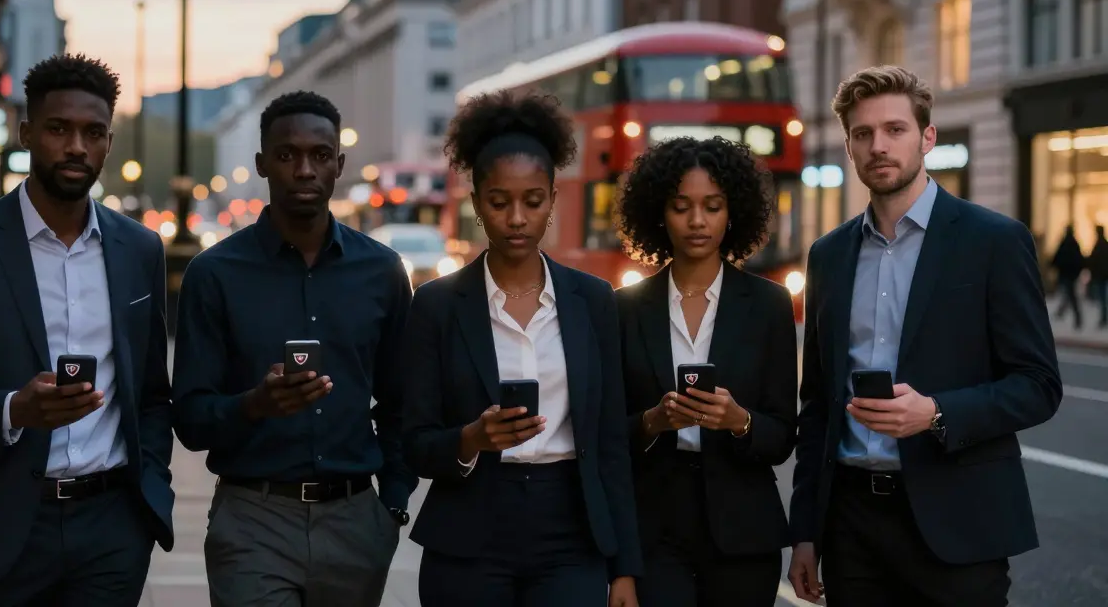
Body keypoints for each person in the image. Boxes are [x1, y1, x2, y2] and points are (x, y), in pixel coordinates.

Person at [0, 54, 175, 606]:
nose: (76, 147)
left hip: (111, 531)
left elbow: (151, 393)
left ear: (109, 143)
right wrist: (11, 411)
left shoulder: (140, 249)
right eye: (58, 129)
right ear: (26, 133)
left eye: (93, 133)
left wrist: (149, 497)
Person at [787, 65, 1062, 606]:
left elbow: (1038, 385)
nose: (878, 146)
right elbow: (817, 403)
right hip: (853, 527)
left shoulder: (995, 242)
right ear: (848, 146)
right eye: (863, 134)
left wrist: (935, 413)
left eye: (895, 130)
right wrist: (805, 531)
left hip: (959, 523)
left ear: (927, 137)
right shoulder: (828, 256)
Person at [172, 90, 416, 607]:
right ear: (262, 164)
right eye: (287, 156)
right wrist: (254, 405)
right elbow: (190, 420)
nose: (305, 170)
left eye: (320, 156)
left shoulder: (382, 272)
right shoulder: (215, 275)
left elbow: (403, 402)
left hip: (355, 522)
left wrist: (391, 504)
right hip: (253, 519)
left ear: (339, 164)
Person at [401, 90, 642, 607]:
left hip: (571, 531)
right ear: (476, 203)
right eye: (499, 201)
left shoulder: (594, 301)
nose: (515, 217)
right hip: (468, 533)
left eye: (532, 201)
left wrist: (624, 567)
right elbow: (414, 441)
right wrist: (470, 439)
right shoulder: (436, 305)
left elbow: (609, 446)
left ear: (553, 200)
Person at [614, 137, 798, 607]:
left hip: (743, 528)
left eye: (712, 207)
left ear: (732, 212)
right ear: (659, 213)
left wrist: (741, 421)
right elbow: (604, 434)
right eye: (682, 207)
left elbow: (783, 435)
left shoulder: (768, 305)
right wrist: (653, 421)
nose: (697, 221)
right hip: (654, 524)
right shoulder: (625, 309)